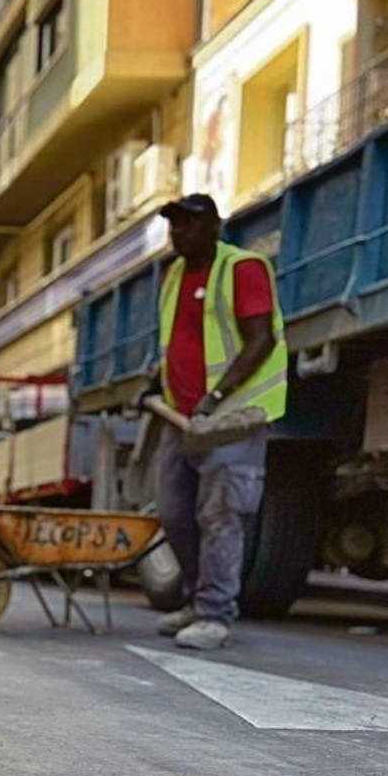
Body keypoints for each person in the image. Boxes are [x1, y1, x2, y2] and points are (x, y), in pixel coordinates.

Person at [145, 194, 287, 651]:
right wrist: (154, 383)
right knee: (173, 513)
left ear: (214, 227)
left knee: (221, 515)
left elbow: (260, 339)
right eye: (174, 225)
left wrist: (217, 396)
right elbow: (178, 342)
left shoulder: (242, 268)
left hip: (233, 416)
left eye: (189, 224)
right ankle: (193, 600)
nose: (179, 232)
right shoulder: (172, 278)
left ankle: (215, 615)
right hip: (182, 418)